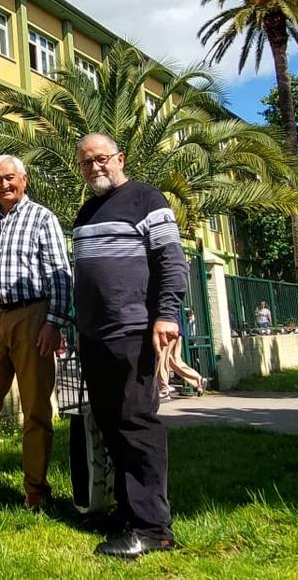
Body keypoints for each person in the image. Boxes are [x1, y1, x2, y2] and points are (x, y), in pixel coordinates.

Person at [72, 133, 184, 559]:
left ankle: (154, 528)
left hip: (135, 330)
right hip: (93, 335)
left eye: (101, 159)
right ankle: (126, 511)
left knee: (137, 425)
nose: (95, 167)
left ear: (119, 158)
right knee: (111, 424)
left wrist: (167, 314)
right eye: (86, 162)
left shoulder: (146, 199)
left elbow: (170, 261)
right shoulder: (86, 211)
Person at [0, 155, 72, 511]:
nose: (3, 185)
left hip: (31, 317)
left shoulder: (42, 218)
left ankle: (35, 487)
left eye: (9, 178)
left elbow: (59, 274)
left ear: (25, 179)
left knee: (35, 408)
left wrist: (54, 322)